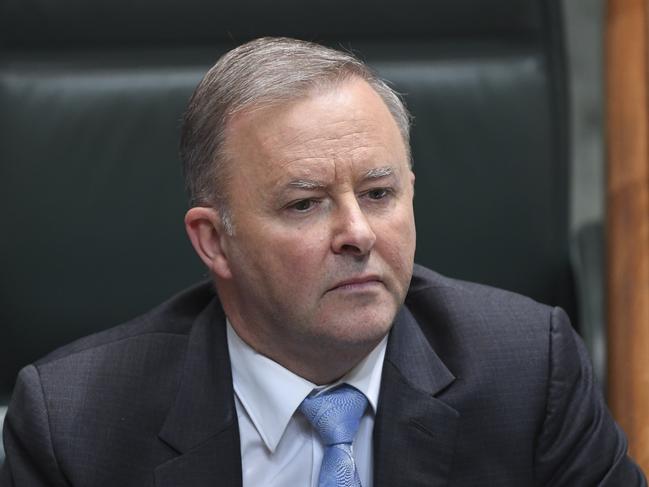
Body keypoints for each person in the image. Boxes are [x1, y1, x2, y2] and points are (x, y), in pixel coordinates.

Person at [0, 37, 645, 487]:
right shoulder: (75, 424)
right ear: (214, 242)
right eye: (306, 204)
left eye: (379, 194)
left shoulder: (531, 370)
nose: (358, 233)